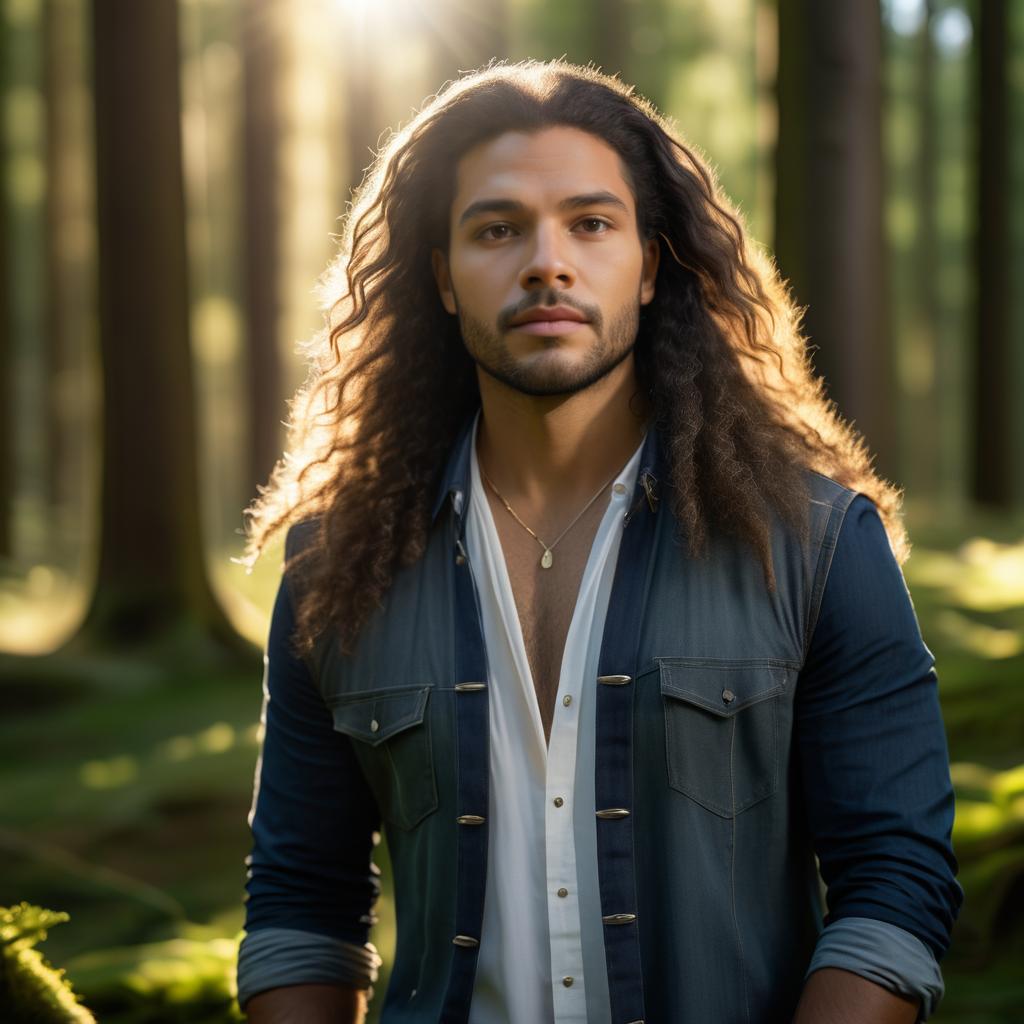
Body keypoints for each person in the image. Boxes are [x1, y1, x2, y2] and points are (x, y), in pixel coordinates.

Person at [236, 60, 961, 1024]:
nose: (547, 262)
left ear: (652, 265)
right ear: (443, 281)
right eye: (498, 229)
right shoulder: (338, 568)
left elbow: (896, 883)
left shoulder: (817, 541)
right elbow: (299, 906)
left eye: (590, 223)